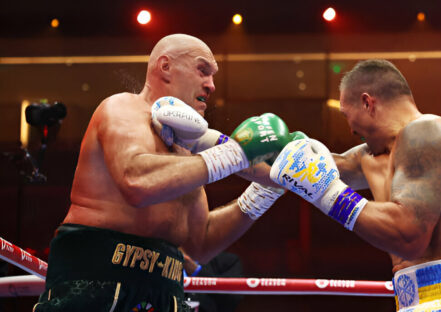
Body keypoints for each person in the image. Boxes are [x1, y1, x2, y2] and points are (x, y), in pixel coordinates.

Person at [33, 34, 294, 312]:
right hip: (95, 281)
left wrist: (265, 191)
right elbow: (136, 181)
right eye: (203, 70)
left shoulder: (187, 151)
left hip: (164, 291)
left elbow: (199, 243)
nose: (211, 84)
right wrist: (233, 154)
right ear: (165, 67)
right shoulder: (124, 108)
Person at [270, 59, 441, 311]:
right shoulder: (372, 157)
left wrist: (328, 193)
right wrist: (234, 154)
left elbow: (409, 236)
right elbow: (302, 170)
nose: (349, 128)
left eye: (346, 114)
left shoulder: (427, 132)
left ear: (367, 102)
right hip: (415, 300)